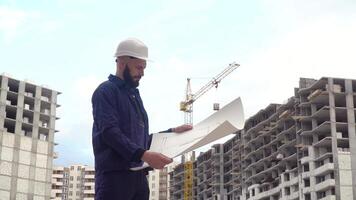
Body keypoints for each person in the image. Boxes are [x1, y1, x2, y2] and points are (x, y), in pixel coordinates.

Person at [91, 38, 192, 200]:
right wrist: (144, 155)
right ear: (122, 63)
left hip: (138, 179)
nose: (142, 73)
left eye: (144, 68)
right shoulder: (105, 92)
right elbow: (109, 133)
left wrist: (172, 132)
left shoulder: (134, 96)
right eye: (139, 67)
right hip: (114, 178)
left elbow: (139, 140)